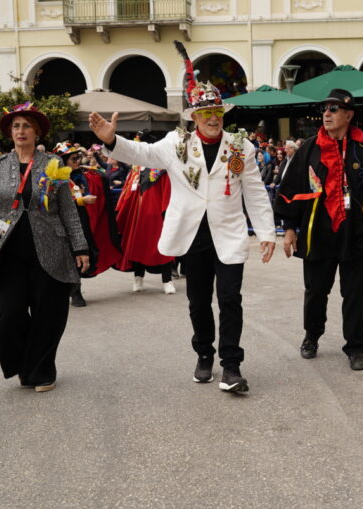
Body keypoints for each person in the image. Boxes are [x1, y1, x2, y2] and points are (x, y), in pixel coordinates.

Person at [89, 42, 276, 394]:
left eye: (217, 112)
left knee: (231, 299)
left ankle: (231, 366)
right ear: (193, 116)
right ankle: (204, 353)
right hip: (193, 235)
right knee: (198, 301)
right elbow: (140, 152)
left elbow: (254, 191)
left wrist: (266, 232)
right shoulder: (176, 143)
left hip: (229, 233)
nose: (212, 118)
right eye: (205, 113)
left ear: (224, 114)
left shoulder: (241, 146)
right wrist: (111, 139)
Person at [274, 89, 363, 371]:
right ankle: (312, 336)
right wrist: (290, 229)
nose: (327, 114)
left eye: (333, 109)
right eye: (325, 109)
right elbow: (291, 189)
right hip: (317, 230)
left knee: (354, 292)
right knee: (316, 290)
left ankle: (355, 346)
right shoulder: (309, 148)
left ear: (349, 114)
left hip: (355, 231)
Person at [0, 103, 90, 393]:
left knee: (48, 314)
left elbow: (68, 211)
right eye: (16, 126)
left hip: (51, 248)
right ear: (10, 133)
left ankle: (41, 370)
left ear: (37, 132)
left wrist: (80, 248)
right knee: (9, 314)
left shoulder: (54, 165)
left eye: (27, 126)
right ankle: (22, 362)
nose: (21, 131)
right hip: (10, 252)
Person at [56, 142, 122, 307]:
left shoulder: (81, 175)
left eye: (78, 157)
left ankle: (76, 290)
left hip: (81, 220)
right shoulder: (53, 178)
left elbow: (103, 177)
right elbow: (53, 202)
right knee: (66, 256)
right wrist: (80, 200)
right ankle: (69, 291)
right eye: (73, 159)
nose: (77, 161)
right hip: (61, 222)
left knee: (81, 252)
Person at [113, 135, 178, 295]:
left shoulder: (161, 168)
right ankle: (138, 278)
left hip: (157, 215)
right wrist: (123, 208)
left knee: (163, 249)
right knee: (138, 247)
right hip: (138, 214)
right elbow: (128, 190)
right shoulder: (136, 169)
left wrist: (166, 212)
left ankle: (167, 281)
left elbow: (167, 191)